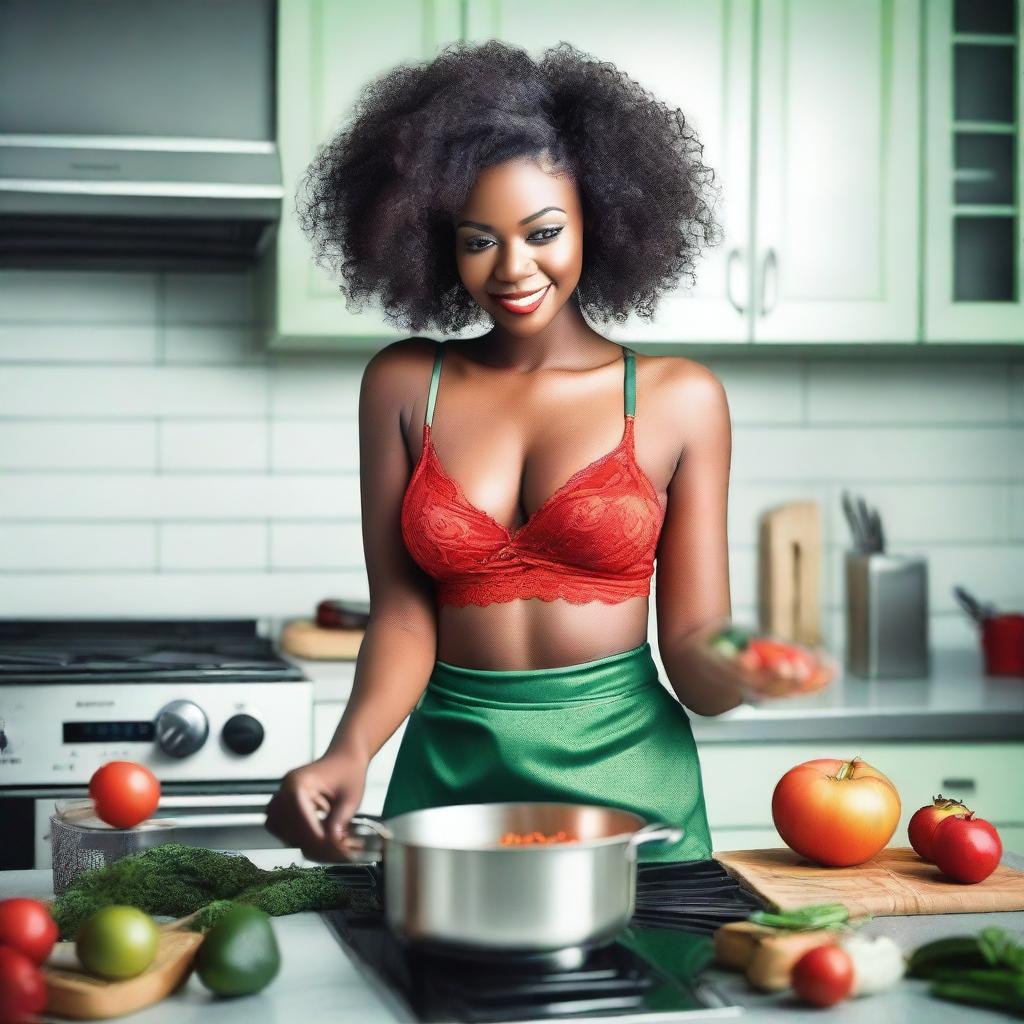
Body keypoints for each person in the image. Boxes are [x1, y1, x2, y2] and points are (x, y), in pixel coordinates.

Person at [265, 39, 830, 863]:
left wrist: (745, 670)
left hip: (632, 792)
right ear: (433, 239)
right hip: (448, 788)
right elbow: (402, 613)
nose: (512, 267)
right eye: (478, 239)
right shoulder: (402, 384)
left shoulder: (678, 399)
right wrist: (350, 750)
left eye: (542, 232)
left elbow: (693, 647)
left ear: (598, 220)